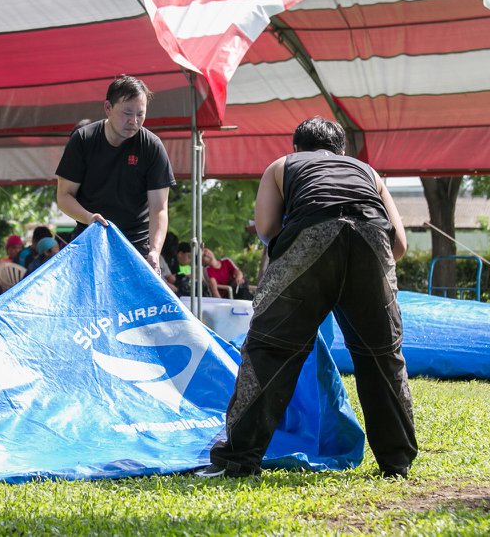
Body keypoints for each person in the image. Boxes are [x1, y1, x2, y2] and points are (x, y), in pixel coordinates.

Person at [197, 117, 416, 479]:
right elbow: (401, 244)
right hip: (374, 243)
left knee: (269, 351)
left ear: (296, 147)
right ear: (341, 151)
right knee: (382, 356)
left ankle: (238, 460)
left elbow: (267, 229)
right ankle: (397, 463)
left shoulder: (283, 165)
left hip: (309, 239)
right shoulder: (368, 172)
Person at [56, 74, 175, 273]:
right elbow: (64, 196)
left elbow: (159, 208)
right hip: (89, 240)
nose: (134, 121)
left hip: (135, 248)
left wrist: (154, 251)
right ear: (108, 108)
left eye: (140, 114)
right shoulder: (83, 140)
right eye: (127, 113)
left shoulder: (152, 146)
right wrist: (88, 217)